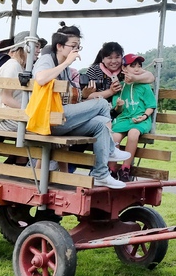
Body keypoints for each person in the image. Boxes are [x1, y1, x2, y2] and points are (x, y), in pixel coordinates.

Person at [32, 25, 132, 189]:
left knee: (100, 124)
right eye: (73, 46)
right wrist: (67, 63)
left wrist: (84, 93)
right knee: (100, 102)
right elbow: (41, 79)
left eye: (78, 46)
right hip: (47, 118)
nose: (76, 50)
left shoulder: (63, 63)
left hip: (59, 117)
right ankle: (111, 148)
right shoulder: (47, 59)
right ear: (59, 46)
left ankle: (100, 174)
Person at [109, 53, 158, 181]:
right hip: (124, 119)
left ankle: (126, 168)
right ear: (124, 68)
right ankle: (112, 169)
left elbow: (151, 106)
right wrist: (119, 106)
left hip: (140, 120)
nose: (137, 68)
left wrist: (144, 116)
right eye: (133, 65)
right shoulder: (120, 86)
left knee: (133, 133)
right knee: (114, 137)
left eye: (139, 66)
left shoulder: (144, 85)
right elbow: (117, 109)